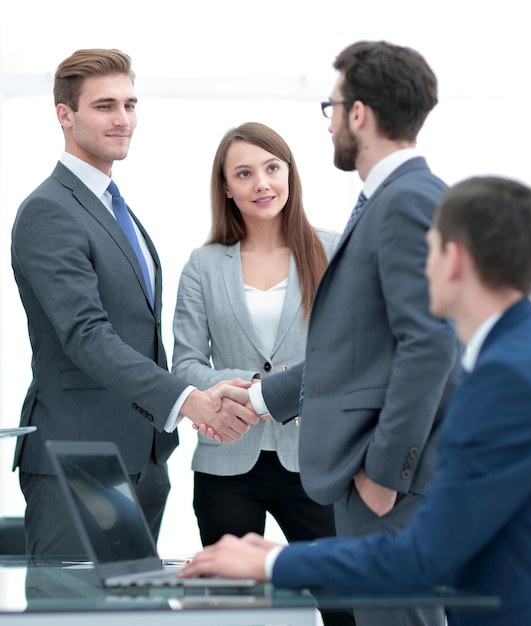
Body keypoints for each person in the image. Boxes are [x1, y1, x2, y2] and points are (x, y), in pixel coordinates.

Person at [181, 175, 531, 626]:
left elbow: (424, 554)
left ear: (455, 260)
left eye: (425, 250)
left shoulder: (507, 377)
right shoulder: (513, 354)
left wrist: (274, 563)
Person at [198, 40, 461, 626]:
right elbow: (362, 354)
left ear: (359, 114)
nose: (331, 123)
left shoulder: (407, 201)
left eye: (333, 107)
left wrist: (382, 478)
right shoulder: (389, 200)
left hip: (392, 488)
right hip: (378, 484)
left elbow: (431, 344)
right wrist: (262, 397)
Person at [10, 48, 257, 557]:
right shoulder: (48, 211)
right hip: (82, 459)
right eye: (104, 106)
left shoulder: (114, 208)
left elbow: (135, 334)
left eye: (130, 104)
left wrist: (192, 393)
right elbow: (87, 335)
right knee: (72, 615)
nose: (123, 119)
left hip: (140, 457)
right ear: (65, 114)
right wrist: (189, 400)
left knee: (125, 608)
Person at [172, 122, 354, 626]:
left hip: (316, 464)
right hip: (226, 465)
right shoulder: (204, 265)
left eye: (272, 168)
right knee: (234, 613)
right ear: (227, 187)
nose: (261, 184)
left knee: (347, 607)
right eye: (245, 173)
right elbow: (185, 364)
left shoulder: (332, 248)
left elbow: (351, 355)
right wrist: (258, 389)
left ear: (290, 173)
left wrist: (272, 393)